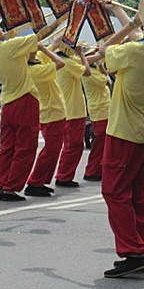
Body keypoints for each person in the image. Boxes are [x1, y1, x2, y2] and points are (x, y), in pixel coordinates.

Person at [88, 0, 144, 278]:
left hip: (123, 131)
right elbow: (142, 36)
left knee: (114, 192)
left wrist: (126, 27)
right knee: (138, 194)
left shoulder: (134, 51)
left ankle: (131, 251)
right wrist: (118, 11)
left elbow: (105, 49)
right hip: (143, 130)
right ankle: (140, 246)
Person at [0, 11, 63, 202]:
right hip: (24, 99)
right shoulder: (10, 47)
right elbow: (43, 34)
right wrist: (60, 19)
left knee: (8, 147)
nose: (3, 31)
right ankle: (11, 187)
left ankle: (1, 184)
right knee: (25, 147)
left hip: (8, 101)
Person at [24, 42, 67, 197]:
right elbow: (60, 62)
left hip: (54, 112)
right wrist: (42, 48)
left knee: (54, 150)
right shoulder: (34, 69)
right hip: (51, 113)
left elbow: (55, 44)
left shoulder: (36, 63)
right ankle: (34, 182)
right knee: (50, 150)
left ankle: (41, 181)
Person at [54, 43, 91, 188]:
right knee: (73, 146)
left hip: (72, 110)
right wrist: (81, 54)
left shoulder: (66, 62)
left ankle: (65, 175)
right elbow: (87, 71)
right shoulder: (68, 63)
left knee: (73, 146)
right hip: (72, 111)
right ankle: (63, 176)